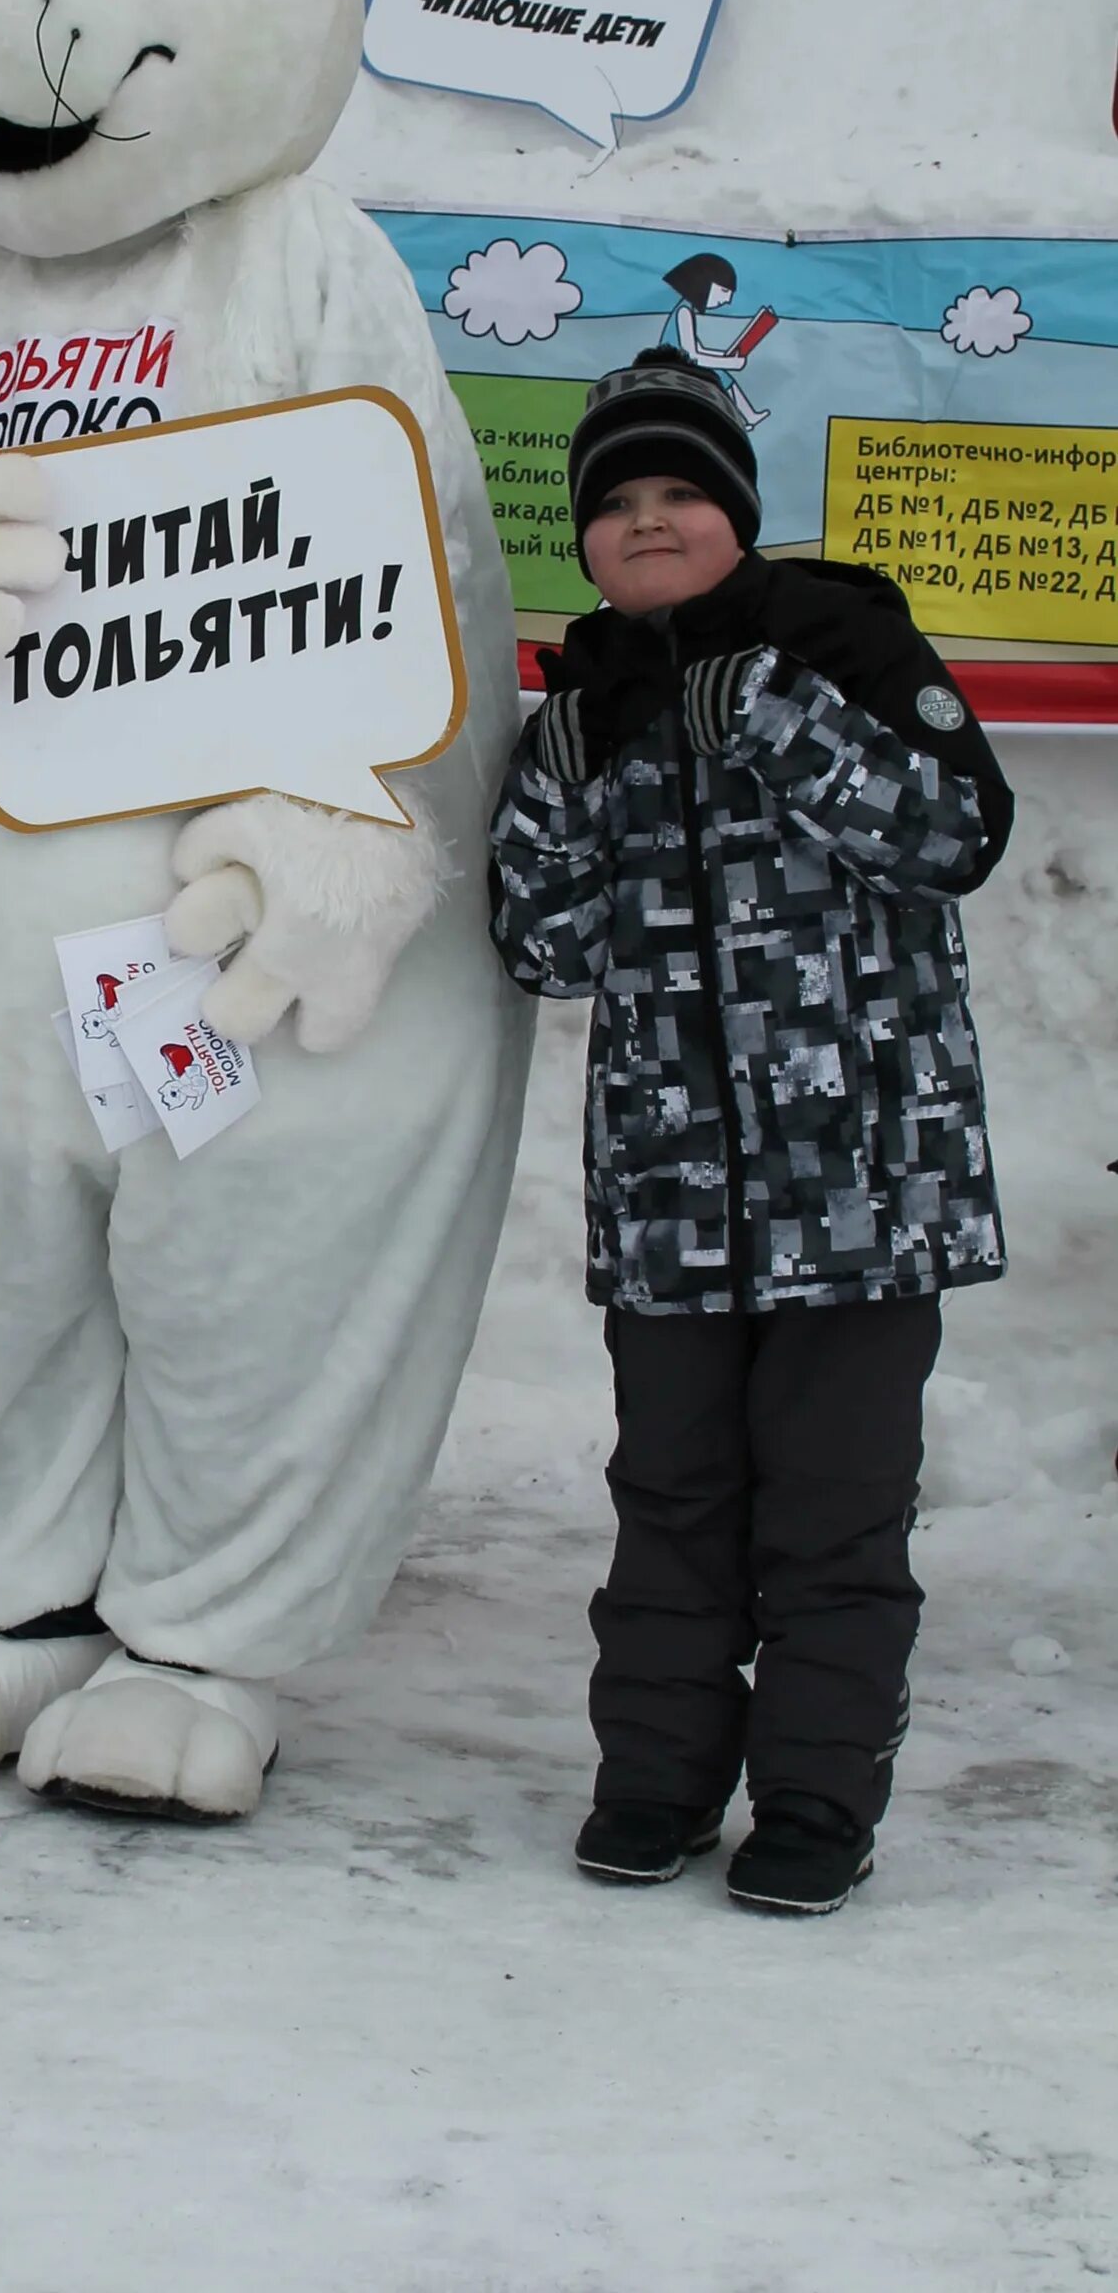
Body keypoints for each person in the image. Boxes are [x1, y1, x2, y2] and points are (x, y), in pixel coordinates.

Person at [488, 347, 1011, 1915]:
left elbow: (955, 835)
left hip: (864, 1193)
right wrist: (557, 796)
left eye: (682, 495)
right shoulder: (589, 709)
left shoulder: (841, 646)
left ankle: (814, 1797)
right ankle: (654, 1780)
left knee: (836, 1510)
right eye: (617, 504)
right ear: (582, 538)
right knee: (674, 1508)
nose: (649, 525)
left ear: (738, 513)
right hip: (671, 1203)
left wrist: (783, 717)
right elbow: (545, 950)